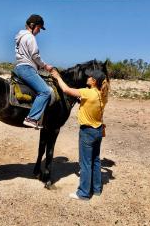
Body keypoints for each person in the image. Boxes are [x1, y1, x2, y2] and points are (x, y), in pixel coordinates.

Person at [51, 68, 110, 200]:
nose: (87, 78)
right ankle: (96, 189)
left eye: (90, 77)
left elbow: (66, 90)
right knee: (95, 160)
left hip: (87, 132)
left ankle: (83, 193)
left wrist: (58, 77)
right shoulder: (103, 95)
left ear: (94, 81)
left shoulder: (87, 93)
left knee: (85, 163)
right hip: (98, 130)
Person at [14, 14, 54, 129]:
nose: (39, 31)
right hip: (26, 68)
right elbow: (35, 55)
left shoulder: (20, 37)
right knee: (46, 91)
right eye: (39, 28)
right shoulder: (30, 37)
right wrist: (45, 65)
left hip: (18, 67)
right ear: (32, 25)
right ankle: (31, 118)